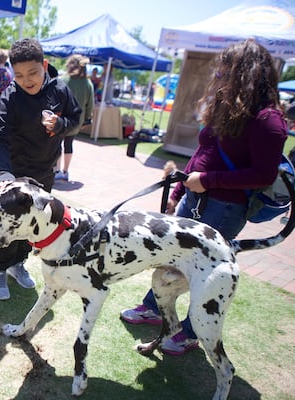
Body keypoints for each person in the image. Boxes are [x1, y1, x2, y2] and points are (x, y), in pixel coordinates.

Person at [120, 39, 288, 355]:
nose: (219, 80)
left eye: (226, 74)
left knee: (202, 272)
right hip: (193, 201)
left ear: (248, 76)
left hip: (225, 210)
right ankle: (153, 308)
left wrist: (208, 181)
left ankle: (190, 332)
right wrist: (180, 190)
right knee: (170, 258)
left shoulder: (268, 120)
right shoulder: (227, 106)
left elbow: (263, 175)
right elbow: (202, 152)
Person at [0, 38, 82, 300]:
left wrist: (61, 124)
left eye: (33, 72)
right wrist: (4, 175)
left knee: (34, 226)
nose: (26, 80)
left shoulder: (60, 90)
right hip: (15, 176)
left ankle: (19, 264)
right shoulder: (11, 97)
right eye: (18, 75)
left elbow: (77, 120)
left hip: (43, 174)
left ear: (45, 65)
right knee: (7, 226)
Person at [55, 55, 94, 181]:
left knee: (58, 145)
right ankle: (66, 171)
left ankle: (57, 170)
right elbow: (90, 104)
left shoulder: (63, 80)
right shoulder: (88, 83)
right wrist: (87, 119)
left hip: (62, 120)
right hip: (77, 120)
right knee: (69, 144)